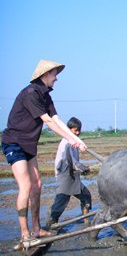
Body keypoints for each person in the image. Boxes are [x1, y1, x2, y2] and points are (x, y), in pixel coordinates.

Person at [1, 60, 87, 245]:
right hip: (14, 143)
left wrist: (77, 140)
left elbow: (56, 118)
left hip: (29, 145)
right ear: (45, 74)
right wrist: (71, 139)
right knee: (26, 186)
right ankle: (25, 235)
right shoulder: (31, 93)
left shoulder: (45, 96)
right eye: (55, 74)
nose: (56, 78)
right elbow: (48, 121)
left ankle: (37, 228)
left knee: (38, 185)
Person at [46, 117, 92, 229]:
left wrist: (81, 168)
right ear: (68, 129)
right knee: (61, 202)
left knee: (86, 196)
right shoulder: (66, 143)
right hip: (64, 176)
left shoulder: (74, 142)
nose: (77, 133)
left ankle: (86, 221)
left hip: (72, 176)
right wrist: (83, 168)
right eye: (75, 130)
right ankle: (51, 224)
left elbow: (74, 163)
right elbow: (71, 161)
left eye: (79, 130)